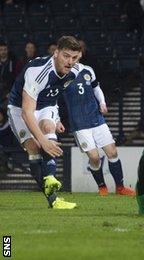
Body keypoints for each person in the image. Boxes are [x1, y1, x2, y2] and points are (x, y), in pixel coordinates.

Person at [6, 36, 82, 209]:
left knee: (48, 127)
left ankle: (49, 178)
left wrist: (56, 119)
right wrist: (43, 141)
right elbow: (27, 112)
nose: (70, 61)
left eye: (74, 58)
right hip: (19, 108)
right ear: (56, 53)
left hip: (46, 105)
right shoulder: (38, 72)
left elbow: (54, 94)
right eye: (66, 56)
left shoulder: (74, 72)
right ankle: (53, 199)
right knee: (34, 146)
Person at [59, 64, 135, 196]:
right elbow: (54, 99)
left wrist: (102, 102)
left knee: (112, 152)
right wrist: (56, 119)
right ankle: (102, 187)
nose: (72, 57)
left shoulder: (87, 70)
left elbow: (96, 88)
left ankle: (120, 188)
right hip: (80, 124)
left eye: (75, 54)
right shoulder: (61, 74)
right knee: (94, 158)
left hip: (97, 119)